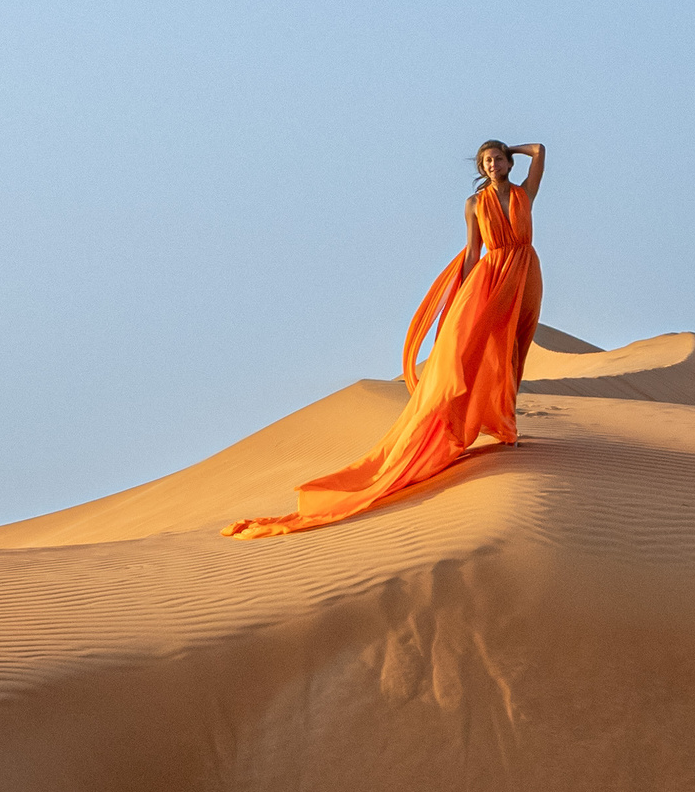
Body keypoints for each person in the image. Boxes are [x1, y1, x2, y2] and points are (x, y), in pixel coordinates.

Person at [223, 141, 547, 539]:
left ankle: (506, 426)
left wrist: (511, 145)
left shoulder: (523, 193)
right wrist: (461, 296)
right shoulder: (474, 204)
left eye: (498, 159)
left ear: (509, 163)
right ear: (481, 167)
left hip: (526, 269)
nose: (493, 164)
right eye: (486, 161)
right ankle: (480, 424)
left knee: (516, 348)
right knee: (481, 349)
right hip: (490, 275)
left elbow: (540, 149)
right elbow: (472, 251)